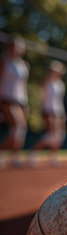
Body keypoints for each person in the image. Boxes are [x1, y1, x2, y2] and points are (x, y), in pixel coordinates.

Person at [28, 60, 66, 166]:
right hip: (48, 111)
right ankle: (33, 152)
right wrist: (42, 111)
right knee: (51, 134)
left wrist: (62, 114)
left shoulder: (60, 84)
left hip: (58, 112)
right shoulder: (46, 82)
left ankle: (52, 156)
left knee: (59, 136)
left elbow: (59, 100)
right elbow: (42, 97)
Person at [0, 35, 29, 168]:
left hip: (21, 101)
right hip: (8, 99)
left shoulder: (24, 65)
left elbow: (23, 85)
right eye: (13, 46)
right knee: (17, 128)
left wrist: (26, 103)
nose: (16, 49)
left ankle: (14, 156)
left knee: (21, 130)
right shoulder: (4, 62)